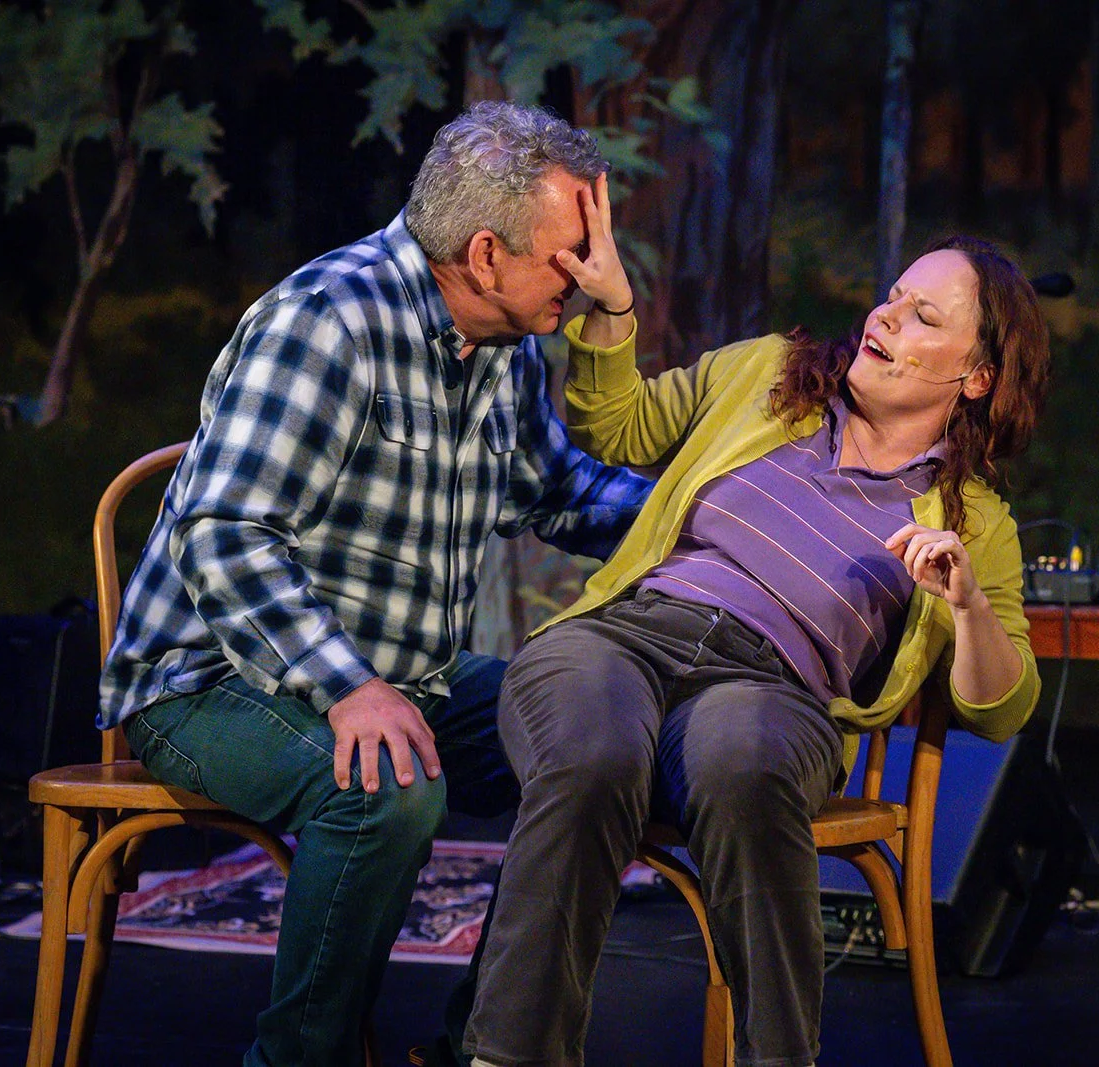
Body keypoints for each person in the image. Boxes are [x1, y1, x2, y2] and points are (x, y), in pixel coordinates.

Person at [97, 101, 652, 1067]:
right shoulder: (329, 321)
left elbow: (559, 493)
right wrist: (349, 686)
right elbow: (223, 532)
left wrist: (713, 515)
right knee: (389, 788)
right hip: (208, 679)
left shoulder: (505, 347)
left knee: (592, 746)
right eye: (573, 250)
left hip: (405, 671)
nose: (591, 271)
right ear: (487, 255)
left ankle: (486, 1049)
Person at [463, 201, 1051, 1067]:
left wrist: (966, 605)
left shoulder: (975, 521)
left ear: (976, 376)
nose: (886, 315)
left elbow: (1001, 709)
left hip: (771, 689)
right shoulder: (768, 375)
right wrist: (615, 308)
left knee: (743, 755)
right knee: (589, 748)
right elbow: (615, 424)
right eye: (893, 295)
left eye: (924, 316)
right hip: (626, 638)